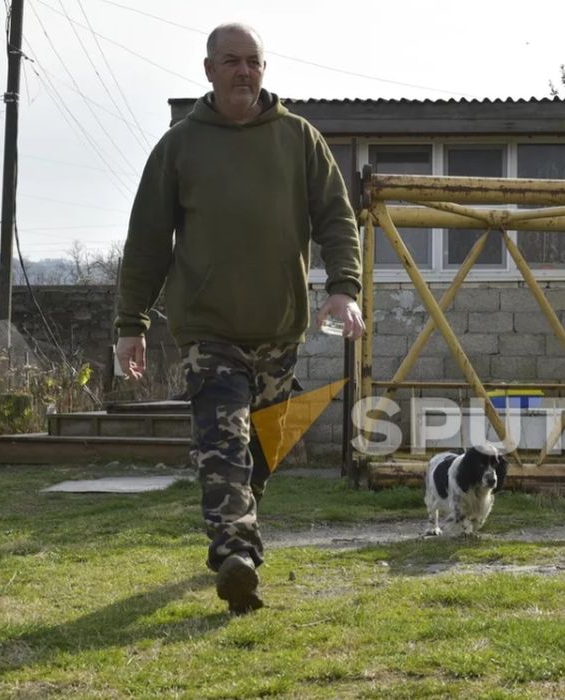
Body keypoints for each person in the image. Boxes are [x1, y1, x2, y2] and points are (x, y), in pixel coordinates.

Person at [113, 22, 364, 615]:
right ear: (208, 70)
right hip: (209, 332)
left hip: (280, 332)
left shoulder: (299, 139)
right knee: (223, 446)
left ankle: (237, 536)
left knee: (261, 453)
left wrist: (343, 288)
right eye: (231, 61)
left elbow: (337, 217)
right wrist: (132, 323)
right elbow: (147, 242)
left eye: (253, 61)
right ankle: (237, 559)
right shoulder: (179, 146)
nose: (244, 72)